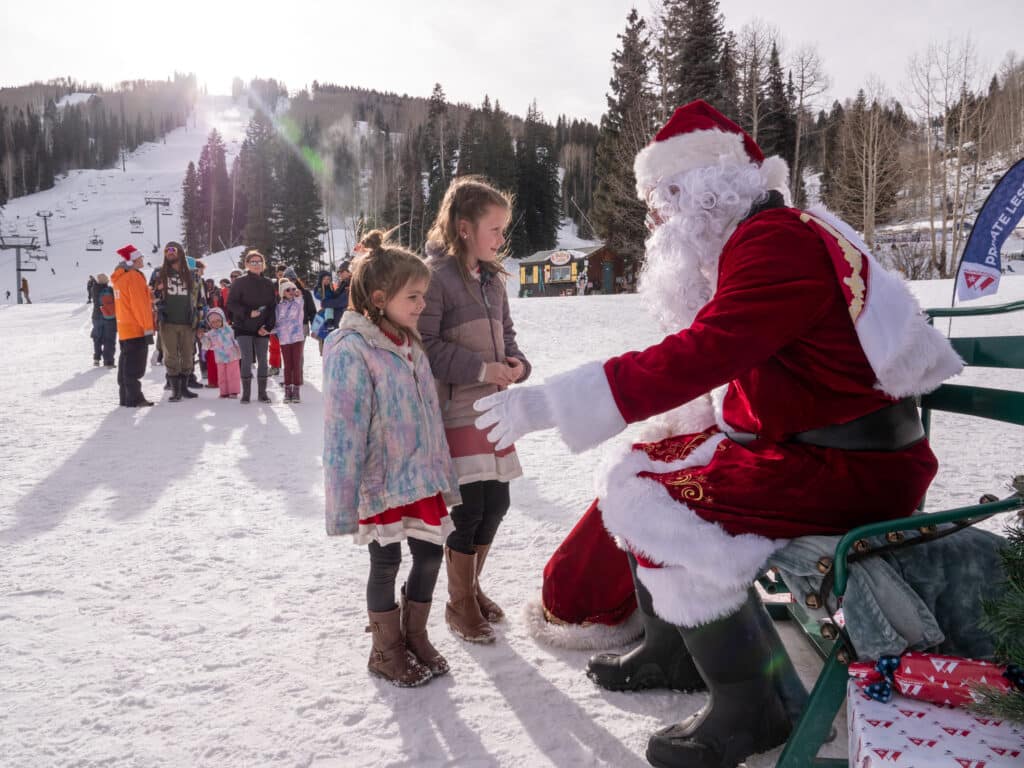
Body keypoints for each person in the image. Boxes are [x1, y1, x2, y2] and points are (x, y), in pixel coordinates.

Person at [472, 100, 964, 768]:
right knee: (641, 464)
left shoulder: (775, 242)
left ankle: (756, 705)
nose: (657, 219)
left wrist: (556, 402)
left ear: (705, 190)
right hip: (821, 446)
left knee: (651, 495)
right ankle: (675, 647)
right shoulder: (766, 234)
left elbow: (708, 351)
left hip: (846, 467)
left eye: (663, 200)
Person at [323, 229, 461, 688]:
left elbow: (430, 417)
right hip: (382, 483)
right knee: (385, 564)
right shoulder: (352, 350)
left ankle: (413, 636)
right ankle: (385, 650)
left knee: (428, 555)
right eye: (414, 296)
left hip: (421, 478)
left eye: (424, 295)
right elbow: (343, 433)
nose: (423, 305)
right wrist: (344, 505)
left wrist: (445, 477)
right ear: (380, 298)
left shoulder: (411, 343)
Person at [420, 176, 532, 645]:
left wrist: (516, 365)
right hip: (457, 410)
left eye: (503, 229)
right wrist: (482, 369)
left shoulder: (494, 280)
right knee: (468, 511)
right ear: (464, 228)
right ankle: (458, 604)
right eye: (495, 228)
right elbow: (424, 346)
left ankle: (470, 588)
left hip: (494, 409)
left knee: (498, 503)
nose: (501, 238)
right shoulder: (436, 277)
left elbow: (508, 340)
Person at [154, 242, 204, 403]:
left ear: (180, 253)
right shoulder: (159, 274)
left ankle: (184, 388)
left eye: (172, 250)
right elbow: (150, 296)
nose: (169, 252)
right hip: (168, 322)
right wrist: (157, 291)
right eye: (166, 250)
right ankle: (175, 390)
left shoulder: (192, 275)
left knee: (188, 356)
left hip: (188, 322)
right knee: (171, 357)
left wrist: (200, 324)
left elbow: (200, 301)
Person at [226, 250, 277, 403]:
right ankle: (246, 394)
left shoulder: (269, 283)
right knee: (247, 359)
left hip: (262, 328)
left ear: (263, 264)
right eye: (253, 262)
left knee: (263, 360)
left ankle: (262, 394)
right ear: (247, 264)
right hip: (243, 327)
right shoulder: (239, 282)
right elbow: (231, 304)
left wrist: (267, 326)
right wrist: (248, 312)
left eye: (259, 261)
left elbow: (272, 307)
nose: (256, 264)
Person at [110, 244, 156, 407]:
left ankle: (125, 397)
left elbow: (132, 301)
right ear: (134, 261)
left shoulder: (120, 278)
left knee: (125, 365)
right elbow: (139, 305)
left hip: (125, 329)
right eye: (140, 257)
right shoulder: (134, 277)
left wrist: (149, 295)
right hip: (136, 328)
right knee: (135, 367)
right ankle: (134, 399)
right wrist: (147, 329)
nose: (143, 259)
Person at [273, 280, 306, 404]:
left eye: (293, 289)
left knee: (296, 364)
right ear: (282, 293)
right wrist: (268, 331)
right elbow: (277, 323)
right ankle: (287, 391)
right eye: (288, 290)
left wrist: (299, 295)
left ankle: (296, 390)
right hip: (284, 339)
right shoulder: (278, 307)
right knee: (287, 365)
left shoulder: (298, 303)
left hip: (297, 338)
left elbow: (300, 300)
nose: (291, 292)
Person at [199, 307, 242, 398]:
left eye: (218, 320)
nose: (216, 324)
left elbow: (237, 341)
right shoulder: (211, 334)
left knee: (232, 374)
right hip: (220, 357)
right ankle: (224, 391)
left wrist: (241, 351)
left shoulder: (230, 330)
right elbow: (208, 345)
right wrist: (202, 338)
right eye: (213, 322)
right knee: (222, 375)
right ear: (210, 323)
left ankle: (233, 391)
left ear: (223, 319)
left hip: (232, 356)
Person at [90, 272, 117, 367]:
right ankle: (108, 361)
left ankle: (96, 358)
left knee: (97, 338)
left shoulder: (94, 289)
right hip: (109, 317)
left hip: (96, 317)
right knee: (109, 339)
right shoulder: (109, 290)